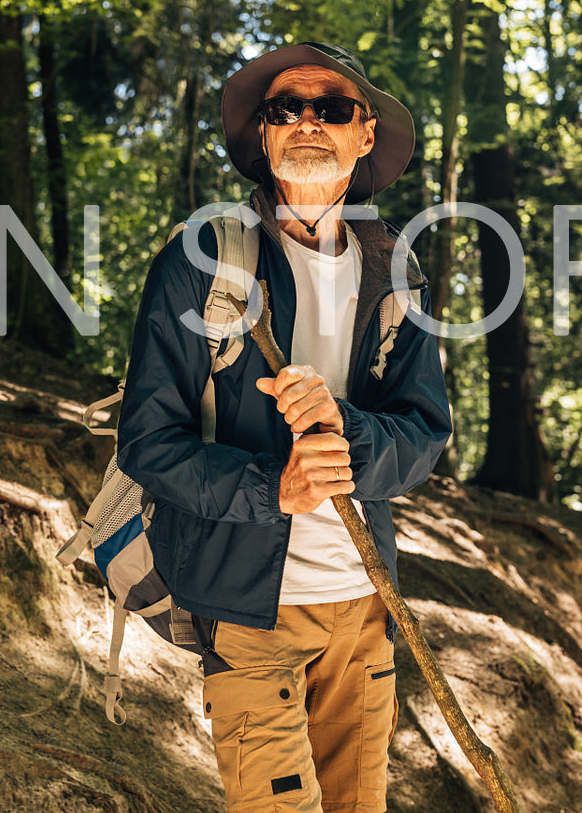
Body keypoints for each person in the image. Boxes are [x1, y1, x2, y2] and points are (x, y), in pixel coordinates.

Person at [115, 42, 453, 813]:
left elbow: (424, 434)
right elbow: (147, 442)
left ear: (364, 135)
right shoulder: (204, 260)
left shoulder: (393, 271)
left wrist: (350, 434)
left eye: (330, 108)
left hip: (365, 607)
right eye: (283, 110)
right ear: (262, 138)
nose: (307, 122)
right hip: (246, 610)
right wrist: (278, 489)